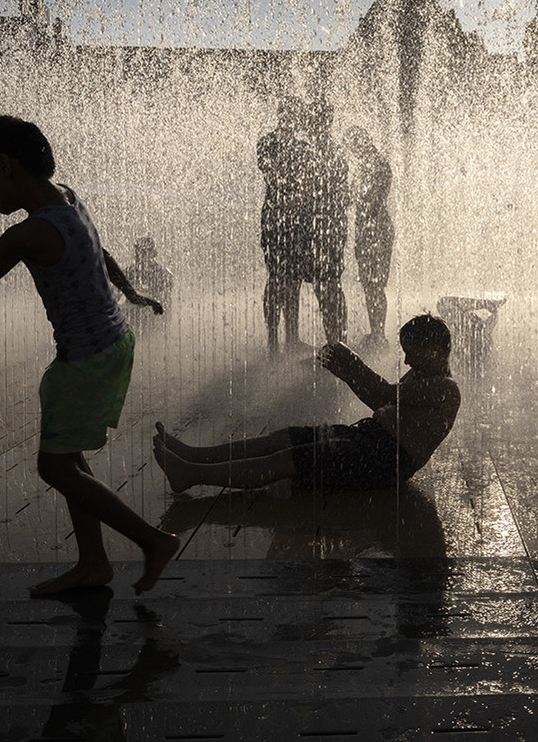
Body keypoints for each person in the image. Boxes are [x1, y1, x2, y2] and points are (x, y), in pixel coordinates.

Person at [0, 115, 177, 596]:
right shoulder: (69, 199)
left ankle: (152, 541)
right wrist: (130, 292)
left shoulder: (25, 235)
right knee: (67, 458)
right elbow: (101, 249)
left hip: (85, 361)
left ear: (5, 166)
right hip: (109, 345)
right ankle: (93, 563)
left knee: (53, 467)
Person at [151, 314, 459, 494]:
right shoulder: (421, 372)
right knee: (283, 437)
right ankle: (194, 456)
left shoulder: (445, 388)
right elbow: (381, 404)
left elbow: (385, 394)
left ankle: (191, 474)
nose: (406, 359)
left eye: (413, 353)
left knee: (287, 459)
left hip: (388, 461)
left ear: (435, 350)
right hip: (370, 439)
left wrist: (351, 362)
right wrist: (346, 374)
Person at [257, 97, 312, 356]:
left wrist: (299, 198)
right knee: (276, 277)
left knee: (295, 280)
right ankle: (272, 338)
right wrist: (292, 193)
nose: (293, 119)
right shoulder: (267, 142)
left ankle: (292, 336)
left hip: (297, 220)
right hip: (275, 218)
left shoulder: (304, 147)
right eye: (289, 114)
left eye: (296, 115)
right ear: (281, 115)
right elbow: (270, 172)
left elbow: (309, 183)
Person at [301, 98, 349, 344]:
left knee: (328, 285)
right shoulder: (331, 150)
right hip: (328, 225)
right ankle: (336, 341)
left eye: (313, 120)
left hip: (325, 227)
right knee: (327, 285)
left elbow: (321, 191)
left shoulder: (324, 151)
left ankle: (337, 342)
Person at [345, 126, 394, 353]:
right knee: (370, 284)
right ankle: (376, 333)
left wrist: (350, 196)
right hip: (369, 229)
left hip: (377, 230)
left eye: (353, 146)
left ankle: (379, 335)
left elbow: (371, 200)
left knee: (375, 284)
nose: (352, 152)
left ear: (361, 143)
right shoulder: (367, 164)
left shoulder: (378, 164)